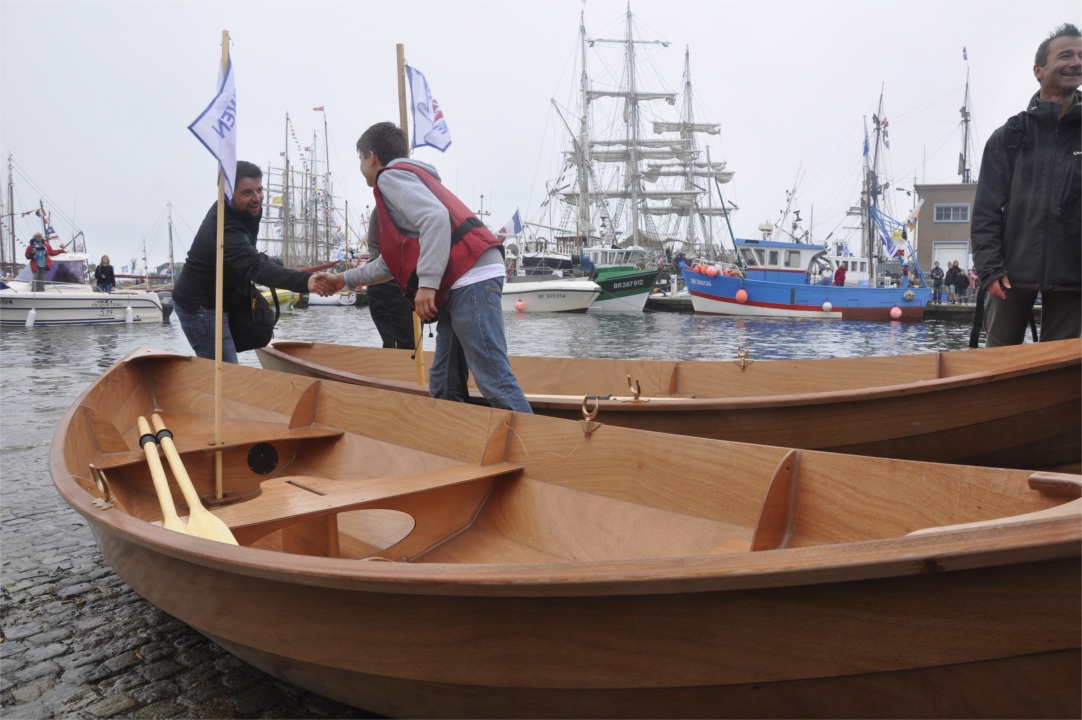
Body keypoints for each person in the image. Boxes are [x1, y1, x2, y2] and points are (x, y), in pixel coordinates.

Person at [314, 122, 531, 413]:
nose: (361, 166)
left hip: (471, 276)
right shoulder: (412, 179)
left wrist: (427, 285)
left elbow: (435, 218)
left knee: (493, 378)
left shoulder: (389, 179)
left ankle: (543, 453)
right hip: (464, 277)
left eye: (360, 159)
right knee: (443, 381)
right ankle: (450, 437)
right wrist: (344, 279)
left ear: (372, 157)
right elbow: (392, 264)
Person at [972, 22, 1081, 346]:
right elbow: (986, 211)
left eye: (1081, 55)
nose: (1076, 62)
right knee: (997, 365)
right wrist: (990, 269)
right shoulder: (1009, 137)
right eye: (1065, 55)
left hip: (1073, 276)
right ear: (1039, 70)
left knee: (1057, 370)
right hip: (1009, 276)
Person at [172, 161, 325, 363]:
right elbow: (253, 266)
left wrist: (276, 264)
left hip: (226, 297)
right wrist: (307, 282)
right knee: (225, 372)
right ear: (227, 193)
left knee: (231, 362)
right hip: (201, 306)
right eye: (247, 193)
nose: (256, 198)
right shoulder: (224, 225)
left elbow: (247, 253)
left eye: (259, 190)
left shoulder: (250, 210)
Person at [363, 212, 416, 349]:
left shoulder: (383, 208)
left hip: (386, 285)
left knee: (400, 344)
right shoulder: (394, 207)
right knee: (403, 346)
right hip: (393, 286)